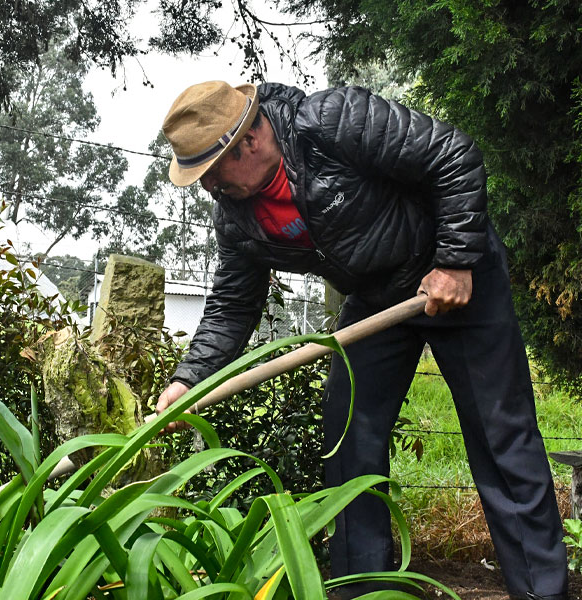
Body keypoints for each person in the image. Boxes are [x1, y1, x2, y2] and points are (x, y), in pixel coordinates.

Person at [155, 80, 567, 599]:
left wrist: (455, 260)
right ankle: (365, 591)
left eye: (211, 173)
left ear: (249, 143)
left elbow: (452, 152)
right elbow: (233, 305)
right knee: (349, 438)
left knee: (500, 437)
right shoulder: (237, 216)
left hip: (456, 278)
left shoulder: (329, 122)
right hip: (378, 301)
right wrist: (187, 379)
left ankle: (541, 591)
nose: (209, 188)